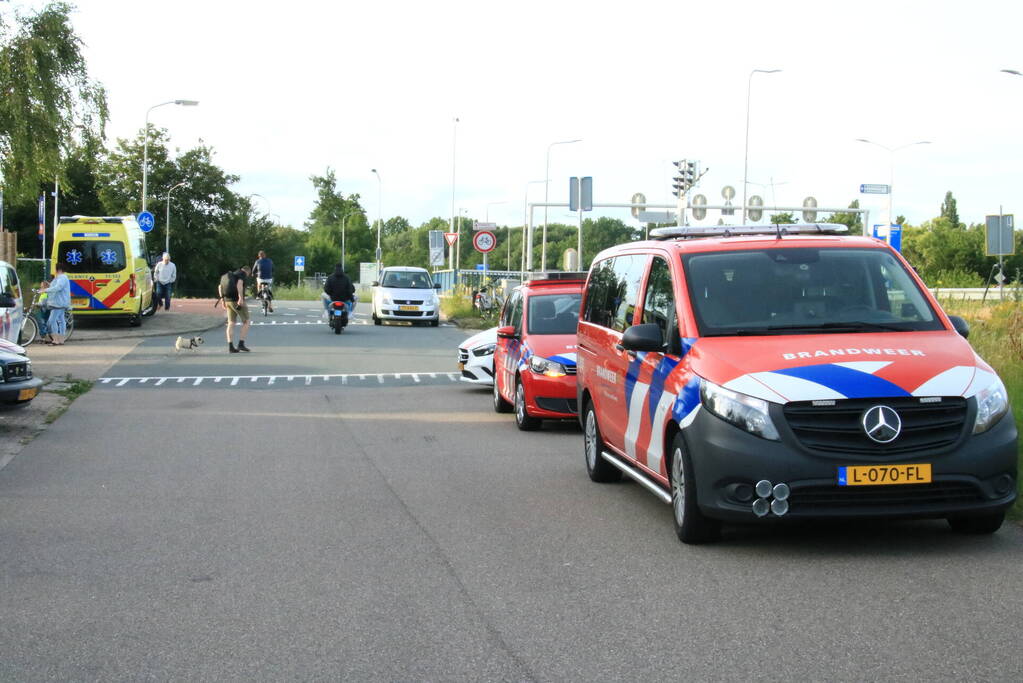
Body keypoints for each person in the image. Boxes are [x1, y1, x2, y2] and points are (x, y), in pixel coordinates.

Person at [218, 265, 252, 353]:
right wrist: (240, 298)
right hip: (236, 300)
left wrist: (222, 300)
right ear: (248, 272)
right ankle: (241, 344)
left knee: (231, 323)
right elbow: (239, 284)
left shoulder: (231, 275)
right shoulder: (242, 274)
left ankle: (231, 346)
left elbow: (219, 287)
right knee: (247, 321)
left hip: (227, 300)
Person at [45, 262, 71, 346]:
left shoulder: (62, 277)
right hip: (61, 302)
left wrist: (45, 290)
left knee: (51, 321)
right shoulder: (61, 277)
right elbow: (55, 286)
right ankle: (61, 340)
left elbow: (58, 287)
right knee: (61, 320)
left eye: (55, 269)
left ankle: (56, 340)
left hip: (58, 303)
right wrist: (48, 286)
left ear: (58, 269)